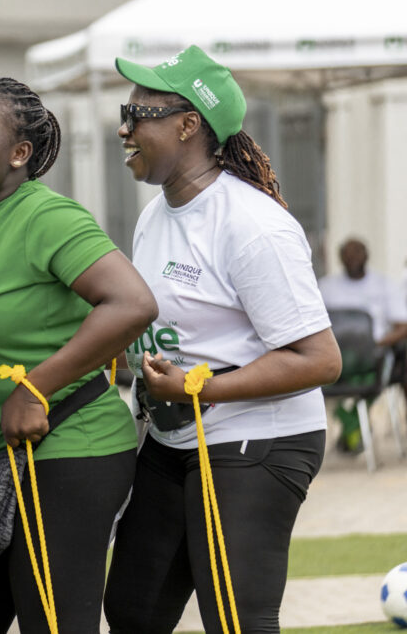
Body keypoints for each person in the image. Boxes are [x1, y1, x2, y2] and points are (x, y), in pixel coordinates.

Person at [103, 45, 342, 633]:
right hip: (174, 434)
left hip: (259, 438)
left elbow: (319, 359)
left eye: (137, 115)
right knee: (133, 609)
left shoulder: (252, 225)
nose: (123, 129)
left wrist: (195, 385)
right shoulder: (155, 214)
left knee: (237, 618)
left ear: (188, 125)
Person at [0, 77, 157, 634]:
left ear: (19, 153)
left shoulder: (46, 216)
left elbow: (132, 304)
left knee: (53, 621)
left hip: (71, 446)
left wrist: (35, 388)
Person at [318, 237, 407, 451]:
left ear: (367, 255)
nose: (353, 258)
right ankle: (352, 426)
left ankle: (352, 426)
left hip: (374, 358)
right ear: (340, 258)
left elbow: (403, 326)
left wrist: (375, 344)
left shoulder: (384, 285)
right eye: (347, 254)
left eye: (357, 252)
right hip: (335, 358)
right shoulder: (327, 287)